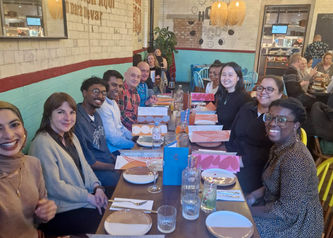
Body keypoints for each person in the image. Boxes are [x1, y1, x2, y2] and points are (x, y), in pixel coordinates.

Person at [29, 93, 108, 236]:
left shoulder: (70, 136)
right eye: (60, 112)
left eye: (72, 112)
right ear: (49, 114)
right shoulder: (42, 143)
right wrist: (88, 197)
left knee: (113, 205)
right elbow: (54, 187)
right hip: (61, 211)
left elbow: (85, 167)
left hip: (81, 200)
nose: (68, 118)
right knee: (106, 221)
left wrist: (98, 188)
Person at [246, 98, 323, 238]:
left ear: (296, 125)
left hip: (297, 226)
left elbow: (286, 212)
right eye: (269, 117)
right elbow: (275, 182)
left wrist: (248, 210)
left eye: (281, 120)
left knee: (240, 227)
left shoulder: (295, 158)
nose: (271, 123)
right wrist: (252, 196)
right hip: (280, 211)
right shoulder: (280, 146)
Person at [0, 101, 57, 238]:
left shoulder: (33, 164)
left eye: (14, 125)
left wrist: (45, 213)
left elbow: (36, 220)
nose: (9, 135)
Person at [226, 75, 283, 193]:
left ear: (280, 94)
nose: (263, 92)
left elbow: (274, 152)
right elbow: (233, 134)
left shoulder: (280, 120)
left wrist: (241, 161)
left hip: (257, 171)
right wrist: (227, 156)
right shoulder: (247, 108)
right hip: (233, 159)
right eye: (260, 88)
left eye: (270, 89)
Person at [74, 77, 120, 188]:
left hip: (108, 161)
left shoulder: (96, 115)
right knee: (124, 182)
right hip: (96, 170)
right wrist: (114, 167)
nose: (100, 96)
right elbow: (89, 162)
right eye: (95, 91)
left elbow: (103, 146)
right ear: (84, 93)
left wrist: (116, 160)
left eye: (104, 93)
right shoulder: (77, 120)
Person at [98, 70, 135, 154]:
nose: (118, 89)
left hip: (122, 144)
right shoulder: (103, 106)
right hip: (113, 151)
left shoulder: (113, 102)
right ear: (105, 85)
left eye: (120, 86)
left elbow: (120, 126)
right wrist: (134, 145)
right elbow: (113, 139)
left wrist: (134, 137)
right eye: (114, 85)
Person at [214, 62, 252, 130]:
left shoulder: (244, 99)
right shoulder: (223, 93)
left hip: (231, 138)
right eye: (223, 75)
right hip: (219, 133)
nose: (226, 78)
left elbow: (242, 127)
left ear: (238, 78)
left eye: (230, 75)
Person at [118, 67, 141, 131]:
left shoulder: (136, 93)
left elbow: (136, 115)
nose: (135, 79)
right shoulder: (120, 91)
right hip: (124, 131)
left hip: (134, 129)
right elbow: (121, 116)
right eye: (133, 75)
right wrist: (138, 126)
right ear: (125, 75)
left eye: (138, 77)